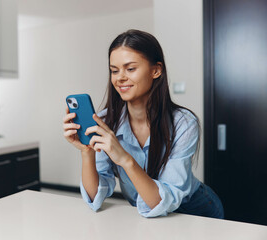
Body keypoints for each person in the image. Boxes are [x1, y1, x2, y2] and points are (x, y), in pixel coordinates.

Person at [63, 29, 224, 219]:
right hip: (146, 212)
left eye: (130, 69)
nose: (119, 77)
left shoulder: (184, 123)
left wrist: (124, 158)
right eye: (114, 70)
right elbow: (94, 199)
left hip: (194, 209)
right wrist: (86, 152)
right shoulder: (105, 121)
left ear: (156, 70)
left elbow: (162, 201)